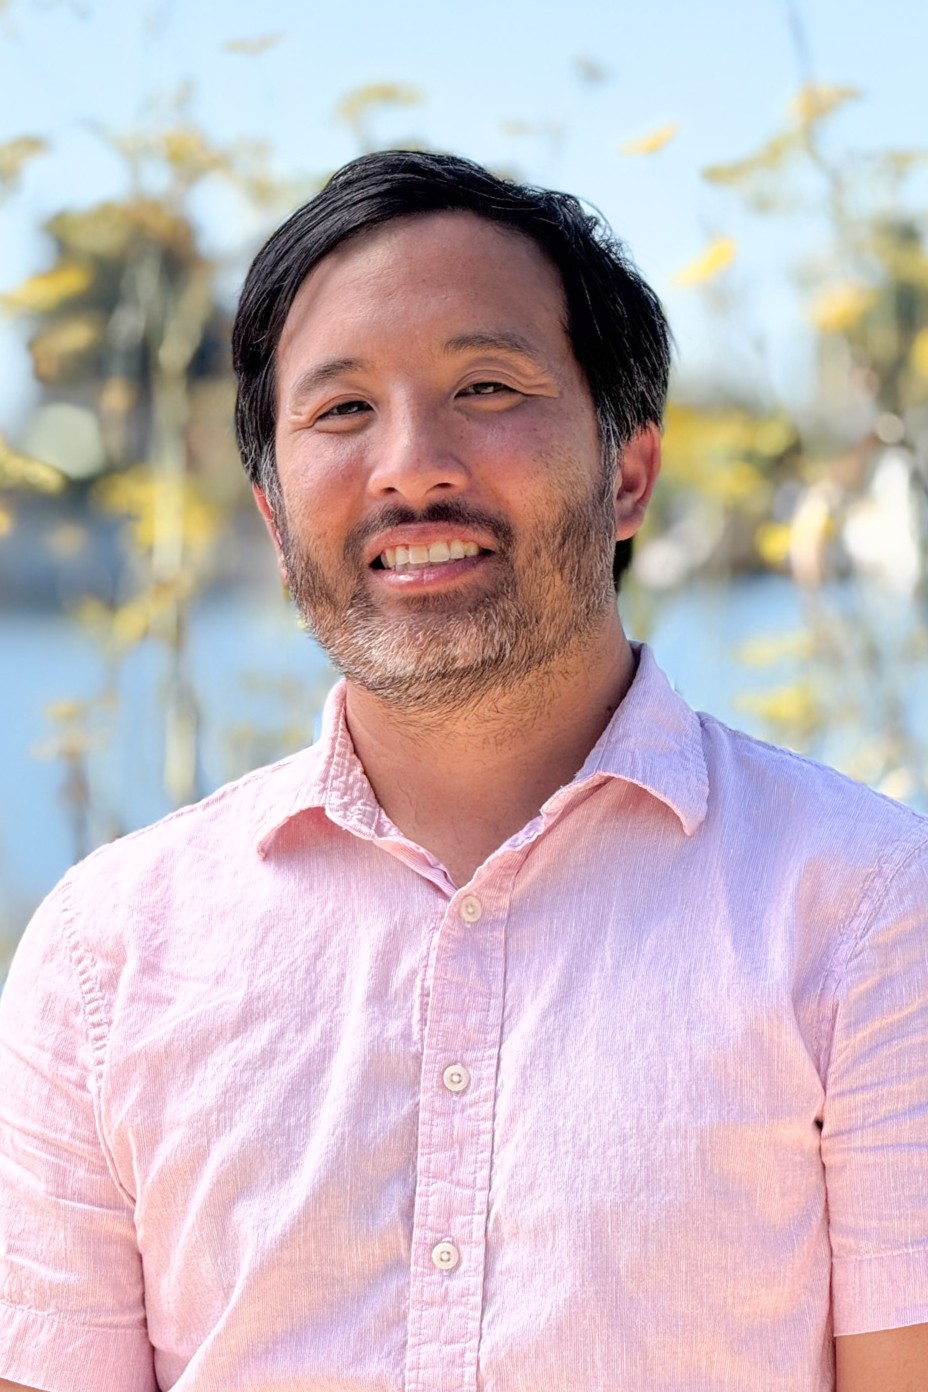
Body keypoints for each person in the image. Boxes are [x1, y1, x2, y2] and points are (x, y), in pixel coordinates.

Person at [0, 150, 926, 1392]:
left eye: (486, 386)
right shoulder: (103, 958)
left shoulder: (868, 909)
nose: (411, 465)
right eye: (340, 410)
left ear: (628, 474)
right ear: (274, 519)